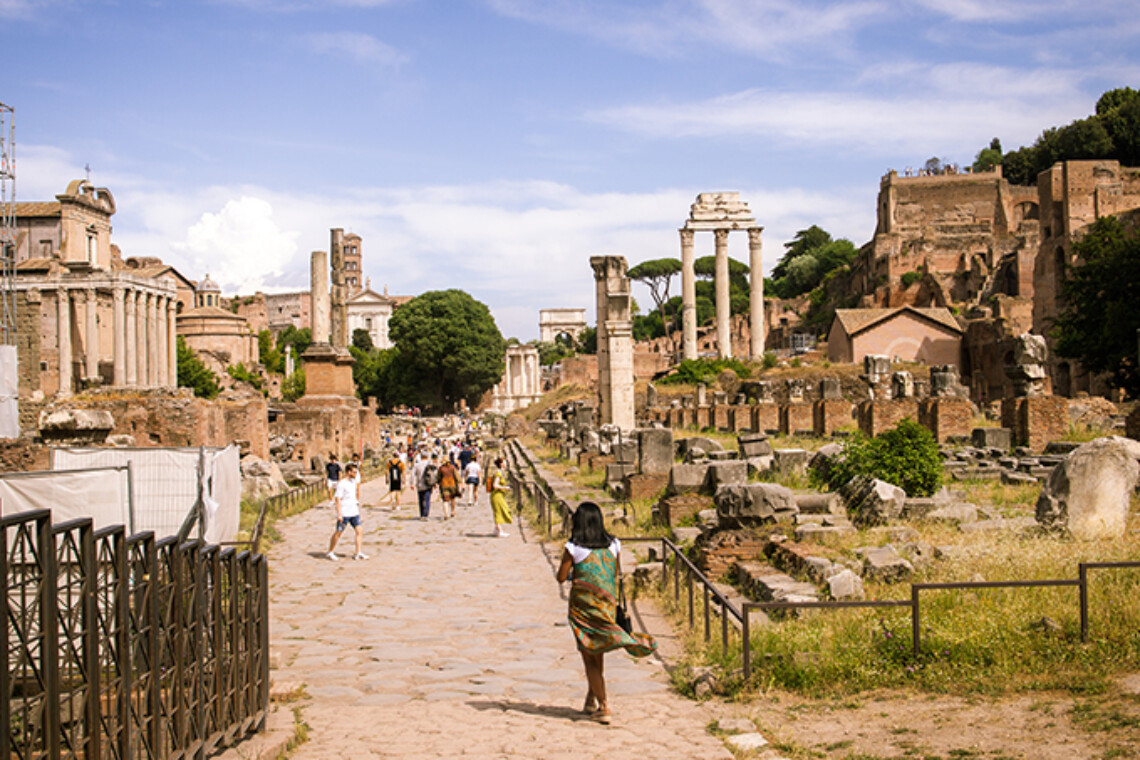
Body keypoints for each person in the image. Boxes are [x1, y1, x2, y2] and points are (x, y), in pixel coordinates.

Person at [555, 503, 655, 724]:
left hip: (583, 609)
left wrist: (575, 572)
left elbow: (561, 577)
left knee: (589, 656)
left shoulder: (573, 547)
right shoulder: (614, 544)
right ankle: (591, 699)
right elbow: (614, 572)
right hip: (606, 605)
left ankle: (604, 706)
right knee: (597, 652)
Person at [326, 463, 368, 560]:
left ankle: (358, 552)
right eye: (354, 472)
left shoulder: (353, 482)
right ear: (348, 472)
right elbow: (338, 499)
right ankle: (330, 551)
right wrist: (339, 513)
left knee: (359, 531)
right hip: (345, 512)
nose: (355, 474)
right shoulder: (342, 484)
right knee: (338, 533)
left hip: (354, 512)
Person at [487, 457, 513, 537]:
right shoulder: (498, 473)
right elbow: (495, 485)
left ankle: (496, 529)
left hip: (499, 495)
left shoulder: (500, 472)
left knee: (504, 510)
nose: (506, 463)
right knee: (499, 511)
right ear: (501, 464)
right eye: (505, 462)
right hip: (496, 495)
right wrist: (505, 488)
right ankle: (499, 530)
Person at [412, 451, 439, 520]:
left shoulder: (417, 465)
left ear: (421, 456)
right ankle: (426, 515)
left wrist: (411, 483)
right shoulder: (430, 464)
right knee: (427, 499)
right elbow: (434, 474)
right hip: (428, 484)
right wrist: (435, 483)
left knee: (421, 499)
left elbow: (412, 475)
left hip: (420, 484)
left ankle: (421, 514)